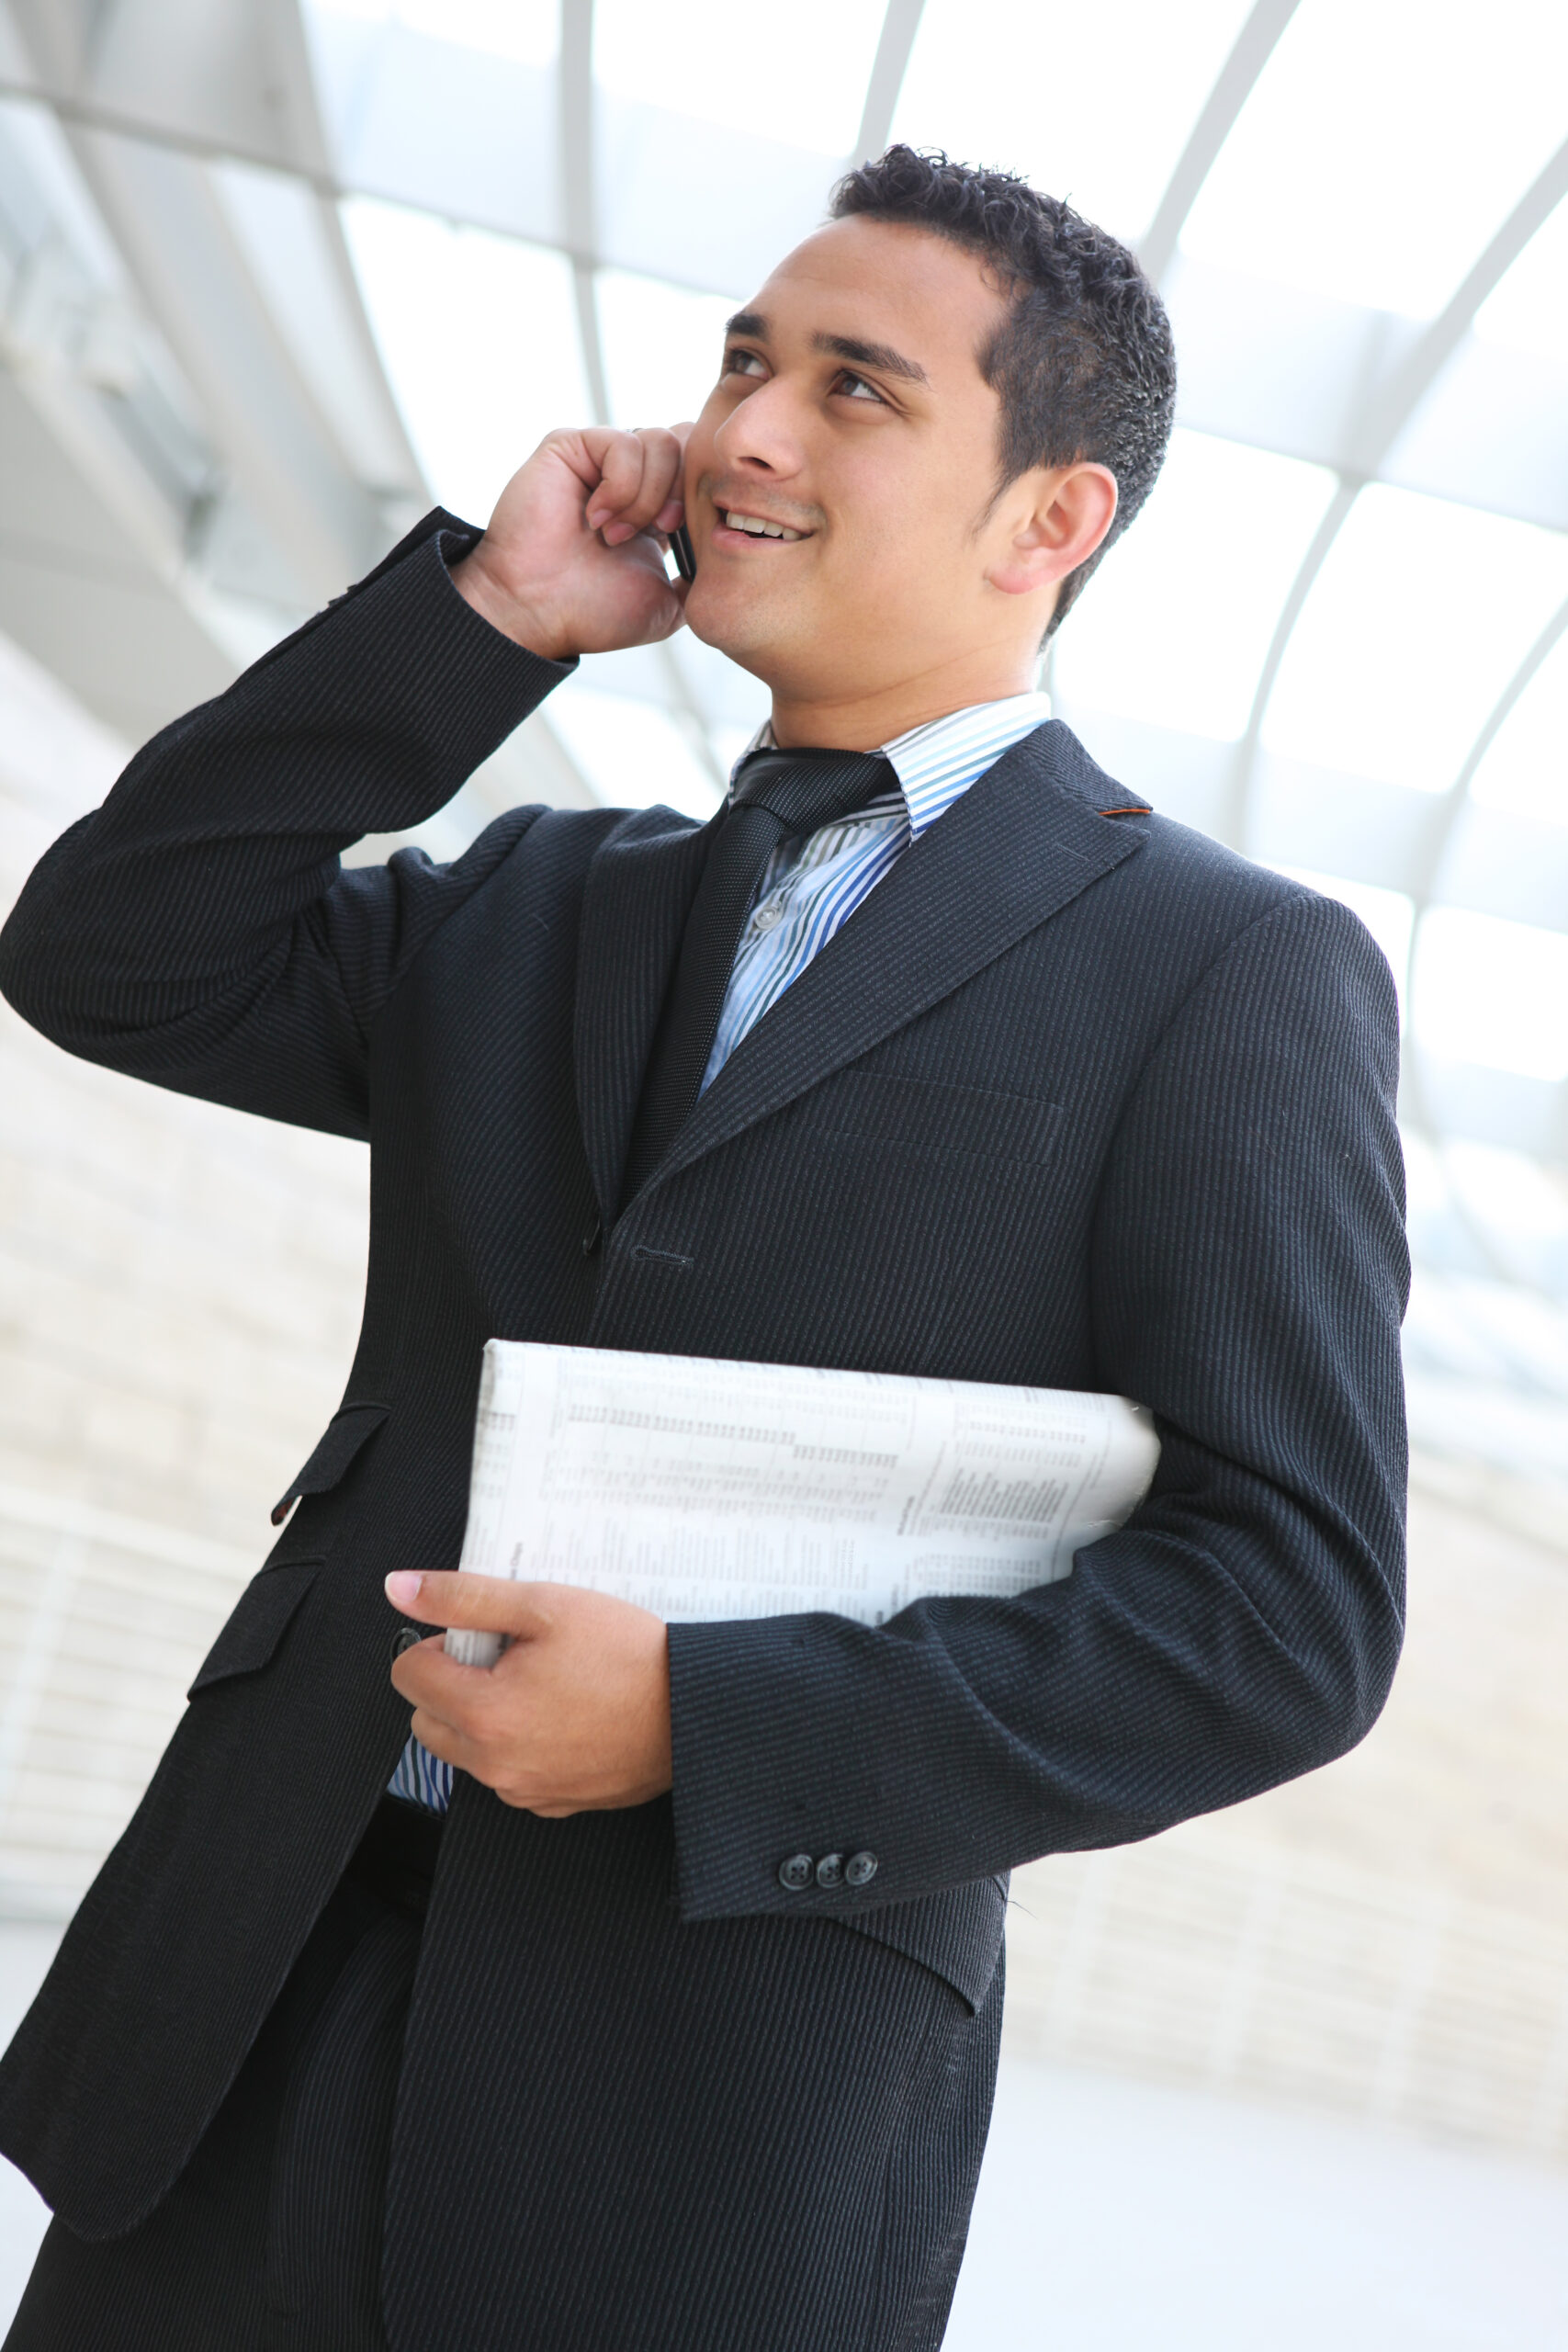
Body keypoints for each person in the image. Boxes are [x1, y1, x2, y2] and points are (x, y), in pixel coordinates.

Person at [0, 146, 1407, 2350]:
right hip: (242, 2027)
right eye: (741, 362)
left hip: (699, 2120)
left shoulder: (1217, 971)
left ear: (1047, 517)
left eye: (853, 388)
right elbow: (112, 949)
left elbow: (1285, 1607)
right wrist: (486, 616)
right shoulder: (537, 897)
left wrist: (711, 1719)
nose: (742, 428)